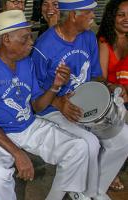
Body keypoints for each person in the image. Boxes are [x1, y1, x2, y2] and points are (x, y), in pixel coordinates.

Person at [0, 10, 93, 200]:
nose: (31, 42)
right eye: (25, 38)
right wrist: (18, 154)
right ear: (7, 39)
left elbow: (37, 106)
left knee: (79, 148)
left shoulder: (26, 62)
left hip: (27, 126)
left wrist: (55, 86)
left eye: (30, 37)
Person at [31, 0, 128, 199]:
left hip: (83, 103)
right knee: (90, 143)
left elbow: (95, 75)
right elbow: (34, 94)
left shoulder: (88, 37)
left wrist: (111, 86)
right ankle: (83, 192)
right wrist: (59, 103)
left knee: (123, 137)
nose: (94, 16)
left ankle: (97, 189)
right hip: (53, 109)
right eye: (89, 12)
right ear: (74, 15)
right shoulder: (44, 46)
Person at [97, 0, 128, 192]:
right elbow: (99, 78)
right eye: (121, 14)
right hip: (111, 98)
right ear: (112, 17)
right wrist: (114, 87)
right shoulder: (103, 42)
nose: (126, 19)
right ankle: (110, 170)